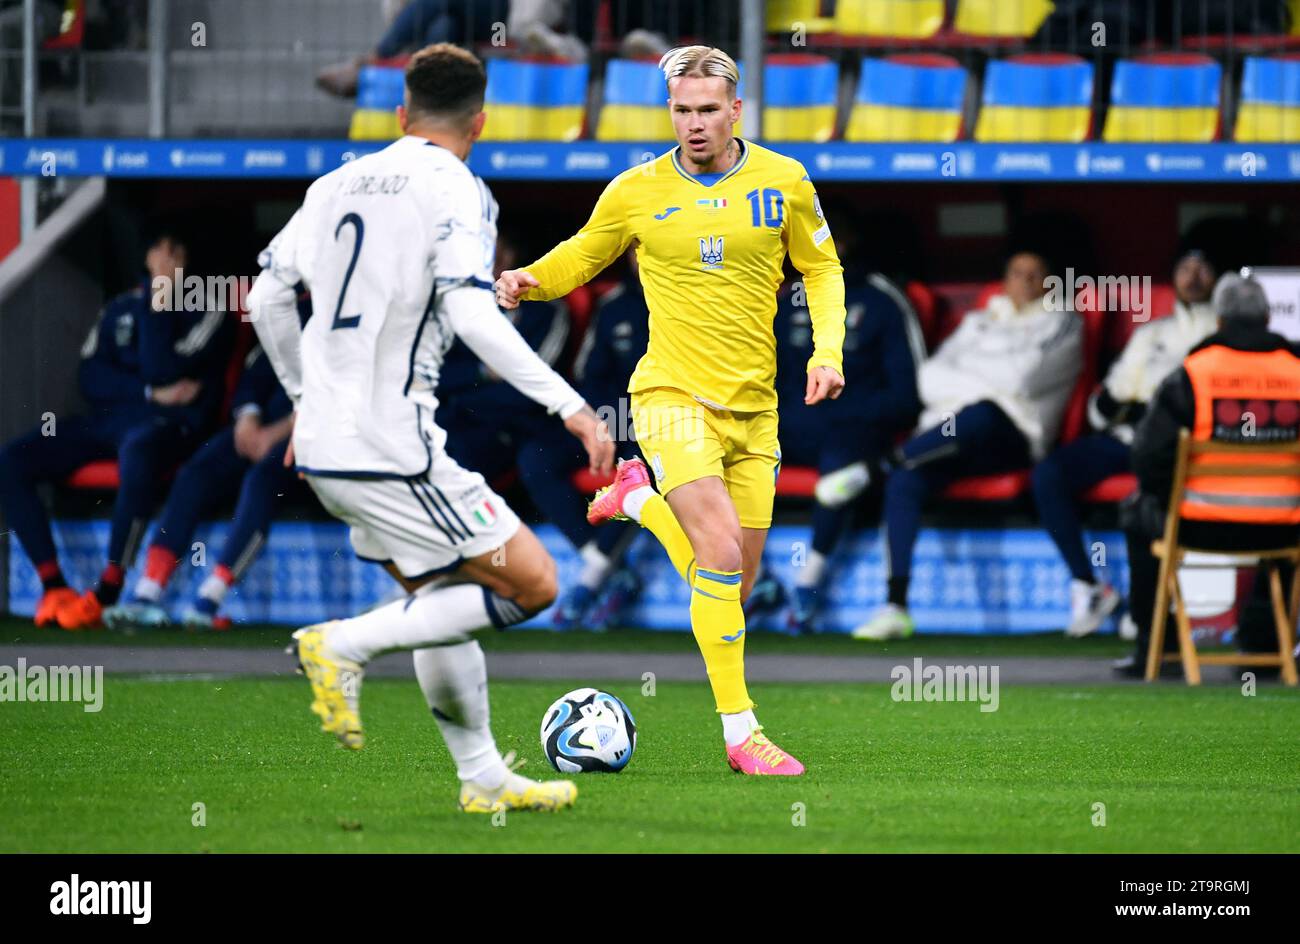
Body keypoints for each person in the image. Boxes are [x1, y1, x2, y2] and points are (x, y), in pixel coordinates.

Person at [246, 44, 612, 814]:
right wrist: (570, 405)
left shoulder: (333, 182)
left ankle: (481, 779)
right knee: (531, 585)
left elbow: (266, 299)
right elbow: (473, 313)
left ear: (401, 112)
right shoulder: (459, 189)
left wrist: (303, 398)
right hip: (394, 447)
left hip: (326, 445)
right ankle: (339, 645)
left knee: (440, 600)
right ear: (481, 121)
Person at [496, 45, 846, 776]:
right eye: (682, 110)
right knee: (717, 557)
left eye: (708, 110)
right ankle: (741, 735)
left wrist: (827, 351)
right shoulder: (636, 190)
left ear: (736, 110)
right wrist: (532, 278)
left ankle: (638, 500)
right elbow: (584, 253)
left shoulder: (785, 181)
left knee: (731, 587)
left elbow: (821, 267)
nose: (694, 123)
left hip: (756, 411)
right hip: (670, 396)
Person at [0, 231, 231, 629]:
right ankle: (53, 587)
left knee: (139, 449)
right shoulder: (120, 306)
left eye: (176, 250)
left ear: (188, 260)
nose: (166, 259)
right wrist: (149, 392)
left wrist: (160, 305)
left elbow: (165, 369)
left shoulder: (208, 306)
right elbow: (90, 376)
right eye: (159, 249)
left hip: (170, 427)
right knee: (12, 459)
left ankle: (108, 589)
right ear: (146, 255)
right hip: (110, 420)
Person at [853, 251, 1082, 641]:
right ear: (1003, 279)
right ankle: (895, 605)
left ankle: (882, 464)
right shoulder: (978, 322)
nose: (1024, 281)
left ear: (1050, 282)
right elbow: (929, 378)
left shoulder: (1061, 322)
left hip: (1012, 438)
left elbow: (1022, 380)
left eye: (1035, 274)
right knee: (906, 481)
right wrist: (988, 385)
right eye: (1016, 272)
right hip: (951, 438)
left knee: (982, 413)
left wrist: (970, 385)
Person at [1114, 272, 1300, 677]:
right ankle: (1265, 646)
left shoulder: (1193, 373)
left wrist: (1170, 500)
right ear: (1269, 319)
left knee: (1135, 511)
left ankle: (1157, 651)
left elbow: (1148, 457)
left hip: (1198, 526)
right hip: (1284, 530)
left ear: (1218, 321)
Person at [1031, 249, 1218, 637]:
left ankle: (1147, 606)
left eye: (1203, 268)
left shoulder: (1222, 332)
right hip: (1128, 438)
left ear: (1218, 278)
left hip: (1182, 447)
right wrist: (1120, 408)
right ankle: (1089, 584)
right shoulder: (1152, 332)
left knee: (1149, 495)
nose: (1193, 277)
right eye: (1185, 268)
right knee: (1050, 474)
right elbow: (1105, 405)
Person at [757, 215, 923, 634]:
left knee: (840, 459)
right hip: (791, 425)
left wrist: (847, 411)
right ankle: (754, 579)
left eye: (830, 235)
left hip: (855, 429)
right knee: (719, 450)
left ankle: (806, 588)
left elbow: (907, 397)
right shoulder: (788, 297)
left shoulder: (884, 300)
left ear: (848, 242)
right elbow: (758, 374)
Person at [103, 339, 301, 631]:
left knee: (263, 479)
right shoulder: (281, 314)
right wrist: (248, 418)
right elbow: (255, 376)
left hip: (310, 434)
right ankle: (148, 591)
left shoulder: (331, 322)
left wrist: (279, 432)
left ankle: (211, 597)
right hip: (258, 429)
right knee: (195, 474)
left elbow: (337, 391)